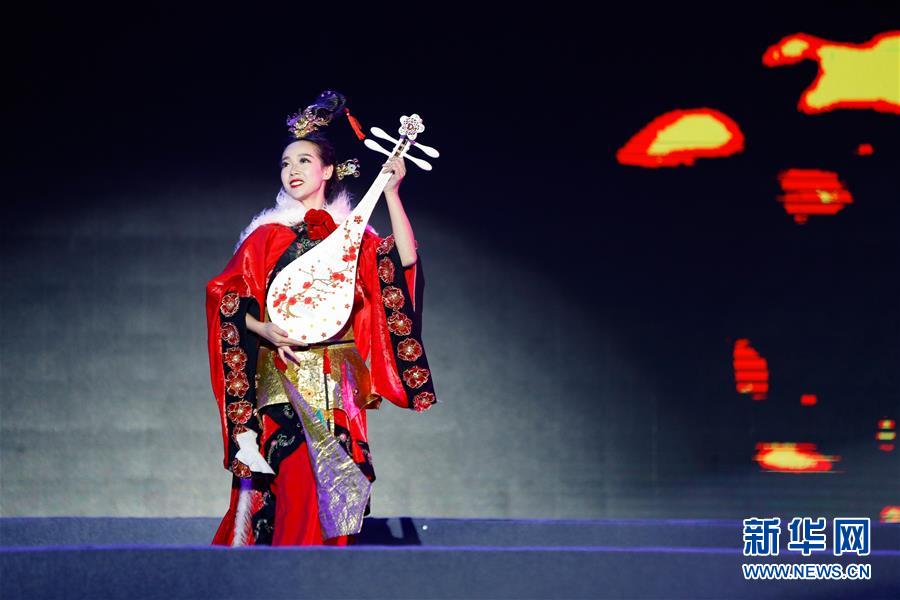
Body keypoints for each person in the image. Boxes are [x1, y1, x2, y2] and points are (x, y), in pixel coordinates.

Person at [206, 91, 436, 546]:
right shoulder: (265, 237)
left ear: (328, 170)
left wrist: (392, 194)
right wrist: (263, 328)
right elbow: (225, 299)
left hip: (338, 376)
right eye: (285, 163)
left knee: (339, 485)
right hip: (283, 372)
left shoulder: (352, 235)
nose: (292, 170)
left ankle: (327, 575)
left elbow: (403, 262)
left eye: (304, 160)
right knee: (293, 479)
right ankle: (286, 573)